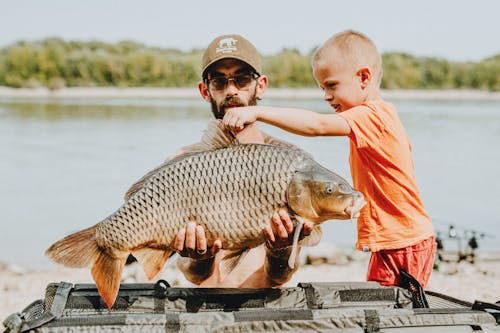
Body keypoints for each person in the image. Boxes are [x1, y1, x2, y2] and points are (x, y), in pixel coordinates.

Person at [222, 30, 436, 288]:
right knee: (382, 304)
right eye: (322, 87)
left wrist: (257, 112)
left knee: (391, 311)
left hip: (404, 241)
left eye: (332, 85)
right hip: (399, 240)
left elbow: (317, 125)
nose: (325, 95)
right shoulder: (377, 118)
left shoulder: (373, 116)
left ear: (364, 77)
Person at [172, 34, 314, 288]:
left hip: (266, 305)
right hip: (205, 308)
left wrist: (279, 250)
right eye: (219, 81)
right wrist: (200, 259)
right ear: (205, 91)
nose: (231, 90)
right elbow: (194, 275)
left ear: (261, 85)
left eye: (242, 79)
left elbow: (282, 276)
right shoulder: (183, 163)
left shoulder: (291, 163)